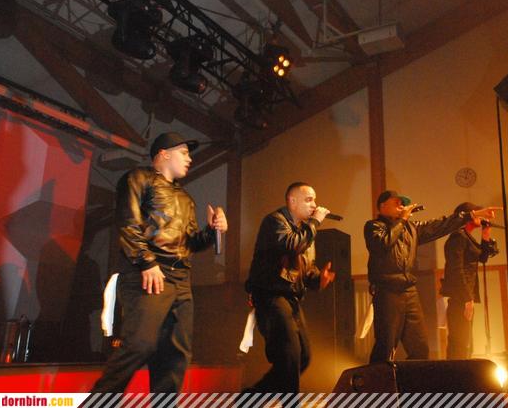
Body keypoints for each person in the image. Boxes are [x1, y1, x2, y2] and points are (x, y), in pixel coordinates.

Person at [91, 132, 228, 393]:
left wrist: (212, 231)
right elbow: (128, 223)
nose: (189, 158)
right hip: (149, 274)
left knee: (175, 356)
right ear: (163, 154)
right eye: (184, 152)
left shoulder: (186, 198)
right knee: (139, 344)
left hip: (181, 281)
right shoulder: (137, 178)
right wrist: (146, 262)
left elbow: (191, 242)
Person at [365, 190, 501, 363]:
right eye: (396, 202)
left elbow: (440, 225)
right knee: (386, 345)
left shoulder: (411, 228)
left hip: (409, 291)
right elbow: (382, 244)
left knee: (420, 348)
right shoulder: (373, 226)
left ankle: (413, 381)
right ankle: (378, 380)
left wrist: (472, 215)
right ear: (382, 206)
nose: (401, 206)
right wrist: (403, 220)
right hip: (387, 290)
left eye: (403, 203)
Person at [244, 182, 336, 392]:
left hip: (291, 299)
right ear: (292, 201)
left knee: (303, 357)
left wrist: (319, 279)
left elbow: (306, 269)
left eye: (314, 200)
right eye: (309, 199)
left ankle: (249, 399)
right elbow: (291, 244)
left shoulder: (305, 231)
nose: (314, 205)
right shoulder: (275, 221)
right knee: (289, 357)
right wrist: (315, 222)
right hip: (270, 295)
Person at [441, 202, 499, 359]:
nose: (481, 216)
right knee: (460, 343)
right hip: (461, 297)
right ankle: (457, 373)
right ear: (467, 215)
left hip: (466, 296)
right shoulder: (458, 237)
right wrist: (467, 298)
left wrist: (486, 234)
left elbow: (483, 258)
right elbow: (456, 269)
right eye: (478, 213)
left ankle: (462, 371)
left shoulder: (466, 237)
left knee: (466, 342)